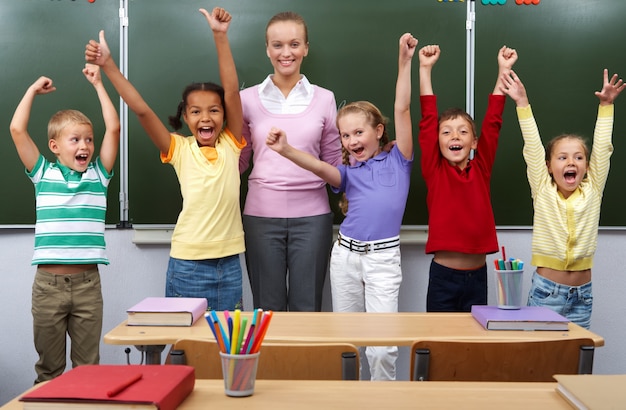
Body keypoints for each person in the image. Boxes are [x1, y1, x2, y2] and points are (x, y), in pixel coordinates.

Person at [266, 33, 417, 380]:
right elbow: (319, 167)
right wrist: (287, 149)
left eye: (359, 133)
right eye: (345, 136)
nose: (351, 141)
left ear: (379, 131)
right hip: (345, 257)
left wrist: (404, 61)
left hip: (382, 260)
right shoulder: (347, 174)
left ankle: (383, 401)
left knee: (382, 346)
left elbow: (403, 108)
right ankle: (349, 398)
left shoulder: (400, 160)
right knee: (347, 342)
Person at [85, 7, 246, 310]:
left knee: (228, 344)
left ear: (225, 115)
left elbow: (233, 91)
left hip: (230, 265)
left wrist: (220, 36)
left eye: (214, 109)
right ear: (185, 117)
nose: (205, 117)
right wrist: (108, 66)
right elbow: (142, 109)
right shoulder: (180, 149)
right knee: (184, 344)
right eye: (195, 111)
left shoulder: (230, 144)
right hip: (189, 265)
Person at [9, 64, 120, 383]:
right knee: (49, 370)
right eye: (75, 140)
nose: (85, 146)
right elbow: (17, 130)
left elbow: (113, 129)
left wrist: (99, 84)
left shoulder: (99, 176)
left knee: (87, 369)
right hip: (47, 287)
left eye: (88, 140)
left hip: (88, 285)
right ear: (55, 147)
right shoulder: (43, 174)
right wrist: (31, 90)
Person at [501, 69, 624, 329]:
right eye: (562, 157)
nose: (571, 162)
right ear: (548, 166)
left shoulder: (593, 190)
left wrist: (606, 106)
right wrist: (522, 104)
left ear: (587, 166)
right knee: (540, 363)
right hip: (547, 293)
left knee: (576, 363)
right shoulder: (543, 191)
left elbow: (603, 149)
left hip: (583, 295)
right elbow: (532, 146)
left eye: (578, 157)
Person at [239, 11, 342, 312]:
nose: (286, 53)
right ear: (267, 49)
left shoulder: (325, 98)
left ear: (306, 47)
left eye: (294, 44)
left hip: (313, 218)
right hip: (260, 217)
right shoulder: (246, 99)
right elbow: (241, 159)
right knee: (266, 310)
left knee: (307, 309)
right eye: (278, 45)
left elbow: (335, 161)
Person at [418, 44, 518, 312]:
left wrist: (503, 72)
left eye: (463, 132)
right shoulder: (434, 171)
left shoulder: (481, 168)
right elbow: (427, 120)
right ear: (437, 142)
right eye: (447, 132)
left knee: (472, 348)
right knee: (440, 345)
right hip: (443, 278)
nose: (454, 137)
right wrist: (425, 69)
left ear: (474, 142)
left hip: (477, 278)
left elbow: (493, 122)